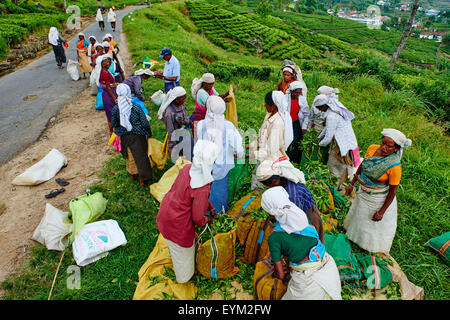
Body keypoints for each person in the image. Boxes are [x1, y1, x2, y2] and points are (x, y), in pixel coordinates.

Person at [261, 187, 342, 300]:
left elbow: (280, 275)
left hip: (308, 284)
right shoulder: (301, 217)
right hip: (329, 270)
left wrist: (278, 271)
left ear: (269, 211)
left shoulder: (274, 238)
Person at [156, 140, 219, 283]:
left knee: (174, 247)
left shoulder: (188, 168)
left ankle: (181, 267)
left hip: (166, 212)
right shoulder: (202, 187)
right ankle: (184, 279)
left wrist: (210, 207)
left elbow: (191, 195)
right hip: (178, 224)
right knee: (184, 255)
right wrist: (207, 220)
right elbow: (197, 218)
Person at [343, 129, 412, 254]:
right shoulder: (373, 149)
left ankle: (366, 246)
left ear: (396, 149)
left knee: (370, 224)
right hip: (363, 191)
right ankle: (353, 236)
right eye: (383, 143)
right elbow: (362, 166)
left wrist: (381, 211)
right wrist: (352, 184)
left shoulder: (394, 167)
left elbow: (392, 193)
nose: (383, 147)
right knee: (359, 215)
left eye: (389, 146)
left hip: (377, 198)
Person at [255, 157, 324, 243]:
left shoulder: (292, 193)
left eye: (268, 184)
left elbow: (294, 219)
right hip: (297, 212)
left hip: (307, 215)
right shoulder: (282, 181)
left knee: (308, 245)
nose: (267, 186)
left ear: (275, 180)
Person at [196, 95, 244, 213]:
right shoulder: (228, 126)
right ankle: (218, 213)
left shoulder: (201, 124)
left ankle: (203, 212)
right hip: (221, 165)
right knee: (219, 190)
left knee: (204, 188)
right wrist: (239, 154)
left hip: (205, 164)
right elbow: (237, 146)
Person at [111, 84, 153, 187]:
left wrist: (120, 129)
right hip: (138, 136)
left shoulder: (116, 108)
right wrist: (149, 133)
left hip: (124, 136)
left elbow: (114, 123)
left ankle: (132, 175)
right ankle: (142, 179)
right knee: (141, 156)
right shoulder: (136, 107)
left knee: (129, 155)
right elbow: (144, 122)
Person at [313, 89, 358, 181]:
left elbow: (328, 137)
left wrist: (319, 144)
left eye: (320, 108)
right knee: (340, 166)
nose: (319, 110)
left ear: (325, 106)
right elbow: (326, 129)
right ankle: (340, 182)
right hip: (346, 140)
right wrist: (318, 138)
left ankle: (336, 186)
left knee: (333, 166)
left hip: (342, 144)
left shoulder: (331, 116)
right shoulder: (332, 112)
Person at [249, 91, 293, 162]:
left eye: (266, 104)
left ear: (273, 106)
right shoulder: (268, 115)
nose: (265, 105)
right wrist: (252, 145)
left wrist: (253, 155)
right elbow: (262, 136)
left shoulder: (277, 123)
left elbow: (270, 149)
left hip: (272, 160)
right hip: (264, 156)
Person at [191, 73, 231, 141]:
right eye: (210, 84)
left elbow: (217, 97)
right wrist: (224, 101)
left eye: (213, 84)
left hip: (208, 116)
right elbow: (211, 105)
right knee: (200, 139)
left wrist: (228, 93)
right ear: (204, 83)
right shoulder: (201, 92)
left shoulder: (211, 89)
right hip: (200, 117)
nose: (212, 85)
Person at [157, 86, 194, 160]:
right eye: (183, 98)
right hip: (176, 138)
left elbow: (185, 117)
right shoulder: (169, 113)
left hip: (183, 133)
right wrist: (171, 148)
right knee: (184, 157)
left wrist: (190, 122)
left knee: (192, 152)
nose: (184, 100)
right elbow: (171, 131)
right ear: (176, 99)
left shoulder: (181, 105)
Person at [285, 81, 310, 164]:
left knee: (296, 142)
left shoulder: (302, 100)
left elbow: (307, 114)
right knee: (286, 141)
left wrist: (304, 126)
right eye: (296, 92)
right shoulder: (285, 98)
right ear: (291, 91)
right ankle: (285, 159)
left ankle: (295, 161)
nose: (298, 94)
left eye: (299, 92)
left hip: (296, 123)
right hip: (286, 123)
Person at [96, 55, 118, 135]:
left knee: (110, 113)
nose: (109, 64)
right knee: (111, 114)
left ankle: (113, 131)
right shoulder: (105, 73)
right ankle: (112, 132)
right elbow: (108, 88)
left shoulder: (105, 71)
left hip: (108, 93)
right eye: (108, 63)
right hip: (109, 95)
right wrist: (114, 98)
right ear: (103, 64)